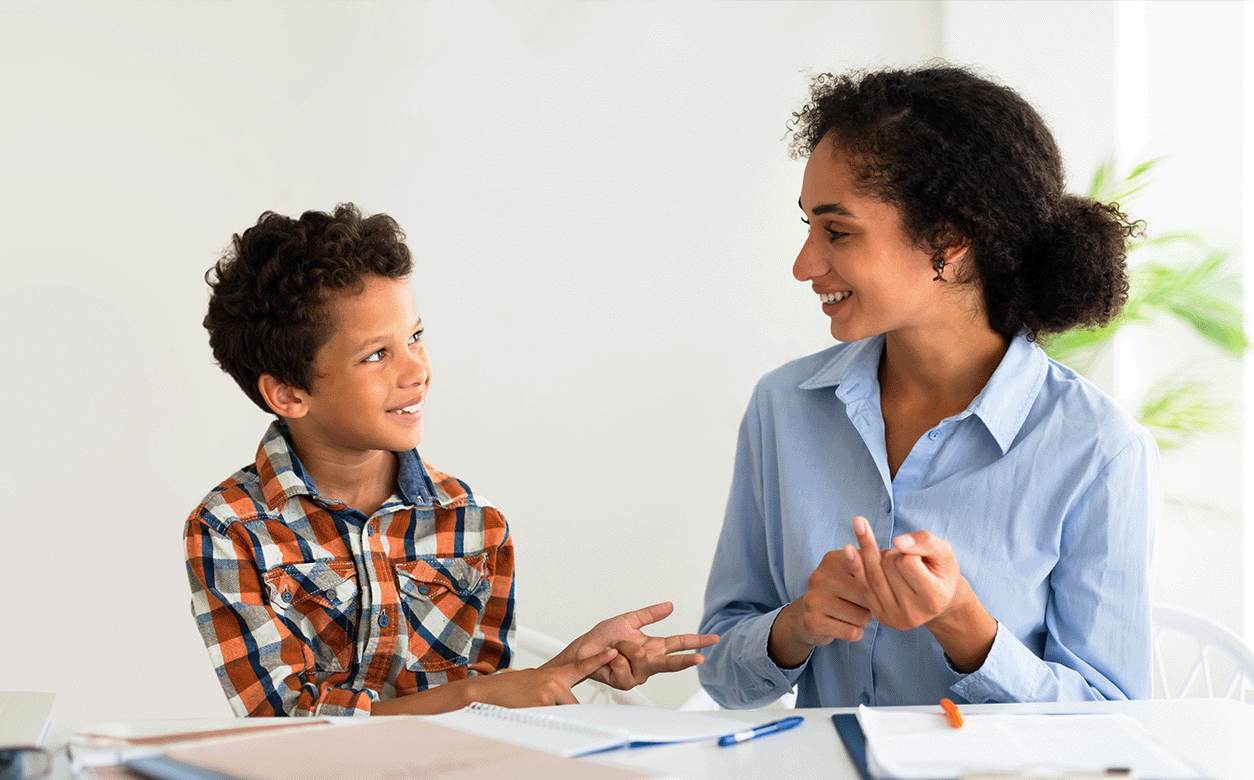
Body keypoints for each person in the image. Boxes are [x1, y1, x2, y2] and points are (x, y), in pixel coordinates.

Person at [698, 65, 1159, 708]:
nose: (804, 264)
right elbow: (719, 670)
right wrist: (795, 624)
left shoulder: (1098, 450)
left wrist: (967, 628)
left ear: (948, 241)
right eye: (807, 225)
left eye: (837, 230)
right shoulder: (783, 408)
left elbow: (1117, 727)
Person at [188, 204, 717, 717]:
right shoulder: (229, 529)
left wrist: (569, 667)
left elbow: (486, 710)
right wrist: (478, 698)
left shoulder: (476, 524)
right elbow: (288, 724)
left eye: (415, 337)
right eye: (377, 354)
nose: (416, 369)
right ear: (287, 394)